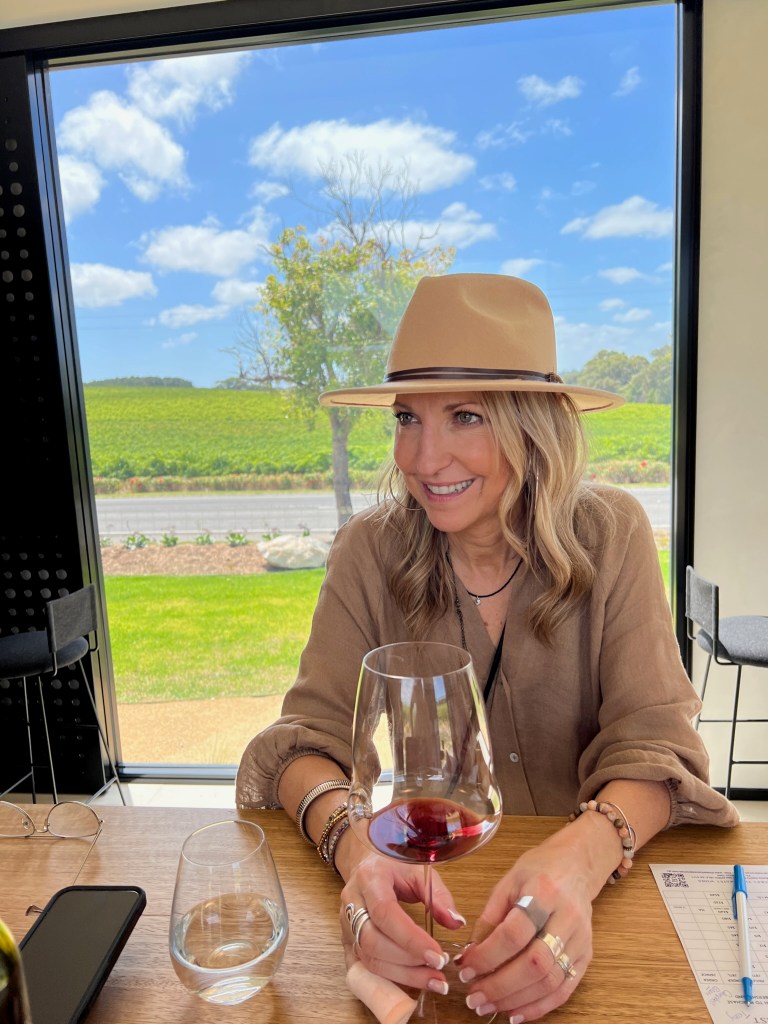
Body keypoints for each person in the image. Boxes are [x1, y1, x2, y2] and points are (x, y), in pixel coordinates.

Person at [237, 273, 737, 1022]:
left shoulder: (613, 533)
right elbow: (305, 744)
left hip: (592, 904)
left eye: (466, 417)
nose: (422, 458)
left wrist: (582, 857)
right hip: (425, 898)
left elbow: (657, 748)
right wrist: (355, 851)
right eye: (408, 418)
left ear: (533, 427)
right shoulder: (368, 550)